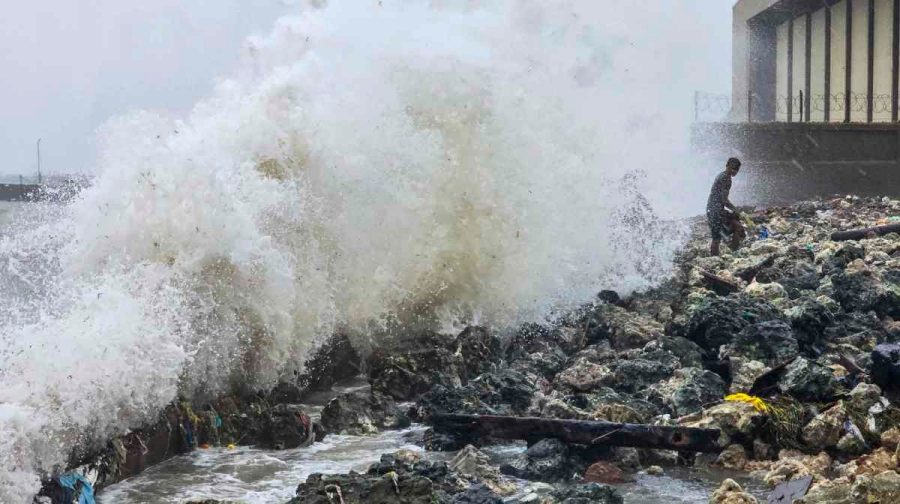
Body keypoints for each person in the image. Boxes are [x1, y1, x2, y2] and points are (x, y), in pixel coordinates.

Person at [706, 157, 745, 256]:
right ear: (727, 166)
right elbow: (724, 200)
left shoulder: (724, 176)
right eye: (732, 168)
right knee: (716, 238)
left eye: (736, 169)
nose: (733, 171)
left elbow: (723, 200)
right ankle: (715, 259)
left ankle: (733, 251)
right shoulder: (725, 178)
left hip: (715, 209)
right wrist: (736, 210)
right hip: (715, 211)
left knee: (737, 226)